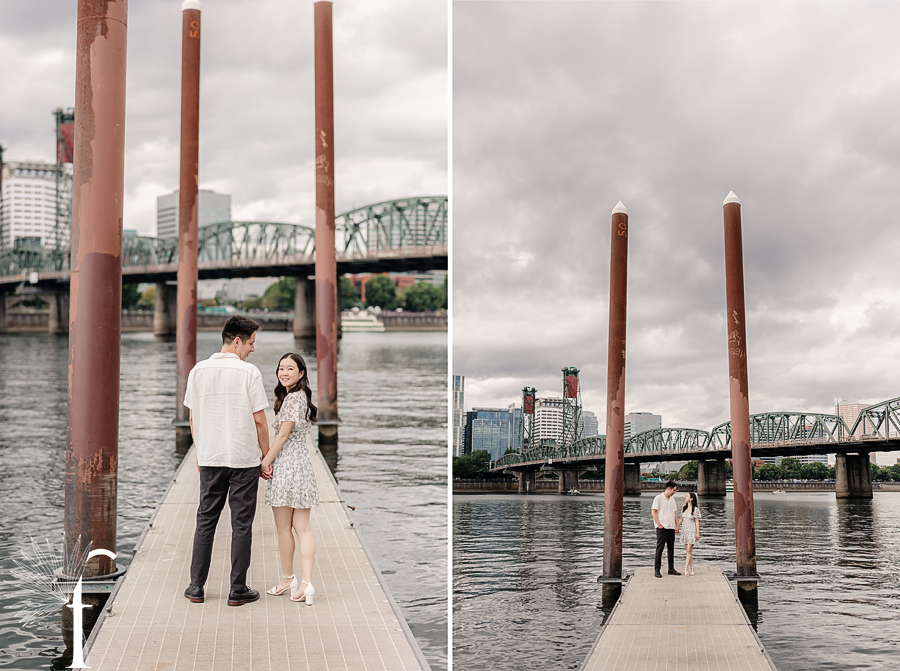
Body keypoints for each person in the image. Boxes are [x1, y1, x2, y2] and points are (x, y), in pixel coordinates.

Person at [182, 315, 272, 607]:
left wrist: (201, 451)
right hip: (244, 459)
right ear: (237, 341)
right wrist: (266, 457)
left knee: (205, 521)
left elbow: (193, 417)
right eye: (251, 343)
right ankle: (237, 589)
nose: (253, 349)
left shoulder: (197, 370)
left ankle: (196, 587)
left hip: (211, 458)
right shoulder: (249, 373)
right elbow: (260, 420)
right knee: (241, 524)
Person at [262, 353, 319, 605]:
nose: (284, 373)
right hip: (303, 468)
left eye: (290, 369)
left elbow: (282, 436)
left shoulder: (291, 400)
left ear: (301, 373)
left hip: (286, 468)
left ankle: (288, 579)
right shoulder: (302, 398)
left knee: (285, 528)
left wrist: (264, 462)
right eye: (281, 368)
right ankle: (306, 583)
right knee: (303, 528)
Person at [651, 480, 681, 578]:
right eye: (674, 490)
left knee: (671, 549)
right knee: (660, 548)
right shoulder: (658, 498)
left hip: (671, 526)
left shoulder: (672, 500)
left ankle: (671, 568)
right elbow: (653, 512)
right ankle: (657, 570)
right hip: (662, 527)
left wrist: (677, 525)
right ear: (668, 488)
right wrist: (659, 524)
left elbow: (675, 513)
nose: (674, 492)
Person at [679, 492, 701, 576]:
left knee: (688, 550)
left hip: (692, 531)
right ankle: (692, 568)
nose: (685, 497)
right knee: (689, 551)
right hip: (684, 531)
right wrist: (677, 526)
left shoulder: (696, 509)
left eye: (687, 496)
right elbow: (681, 519)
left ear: (691, 499)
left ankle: (685, 569)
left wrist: (697, 533)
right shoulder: (684, 508)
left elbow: (697, 521)